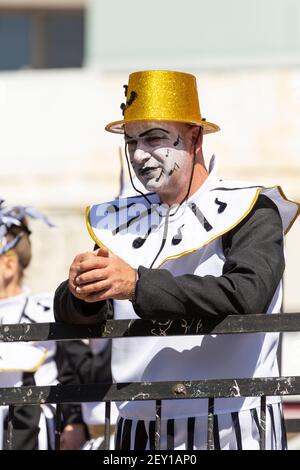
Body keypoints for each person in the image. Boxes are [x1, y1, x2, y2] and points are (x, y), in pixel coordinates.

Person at [54, 70, 299, 450]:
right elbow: (81, 317)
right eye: (131, 140)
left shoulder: (252, 207)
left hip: (233, 422)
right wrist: (80, 290)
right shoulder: (116, 219)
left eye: (153, 137)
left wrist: (136, 285)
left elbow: (246, 295)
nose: (139, 154)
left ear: (195, 137)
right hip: (138, 426)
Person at [0, 200, 87, 450]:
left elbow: (71, 369)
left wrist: (73, 422)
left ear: (8, 265)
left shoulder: (47, 310)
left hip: (33, 431)